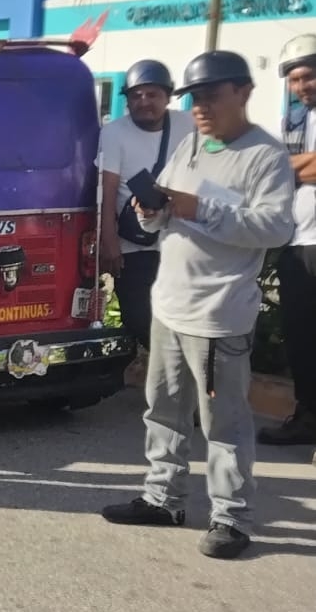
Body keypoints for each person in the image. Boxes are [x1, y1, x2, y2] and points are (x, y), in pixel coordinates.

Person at [101, 51, 295, 559]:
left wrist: (199, 207)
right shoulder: (189, 144)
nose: (202, 107)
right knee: (163, 410)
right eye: (196, 98)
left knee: (223, 422)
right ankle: (163, 498)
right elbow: (165, 217)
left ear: (243, 93)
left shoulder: (264, 155)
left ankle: (231, 517)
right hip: (169, 301)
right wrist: (151, 212)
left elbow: (275, 227)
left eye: (211, 95)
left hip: (218, 313)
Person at [97, 60, 197, 366]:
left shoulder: (188, 126)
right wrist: (109, 240)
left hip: (179, 238)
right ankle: (175, 368)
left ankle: (182, 378)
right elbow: (107, 189)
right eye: (136, 96)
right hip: (134, 241)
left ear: (167, 97)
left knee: (182, 311)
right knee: (137, 314)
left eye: (152, 94)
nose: (144, 102)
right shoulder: (114, 133)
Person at [257, 33, 316, 449]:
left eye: (308, 77)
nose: (301, 86)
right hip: (299, 242)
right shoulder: (300, 119)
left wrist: (280, 165)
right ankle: (307, 418)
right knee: (302, 338)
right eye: (295, 80)